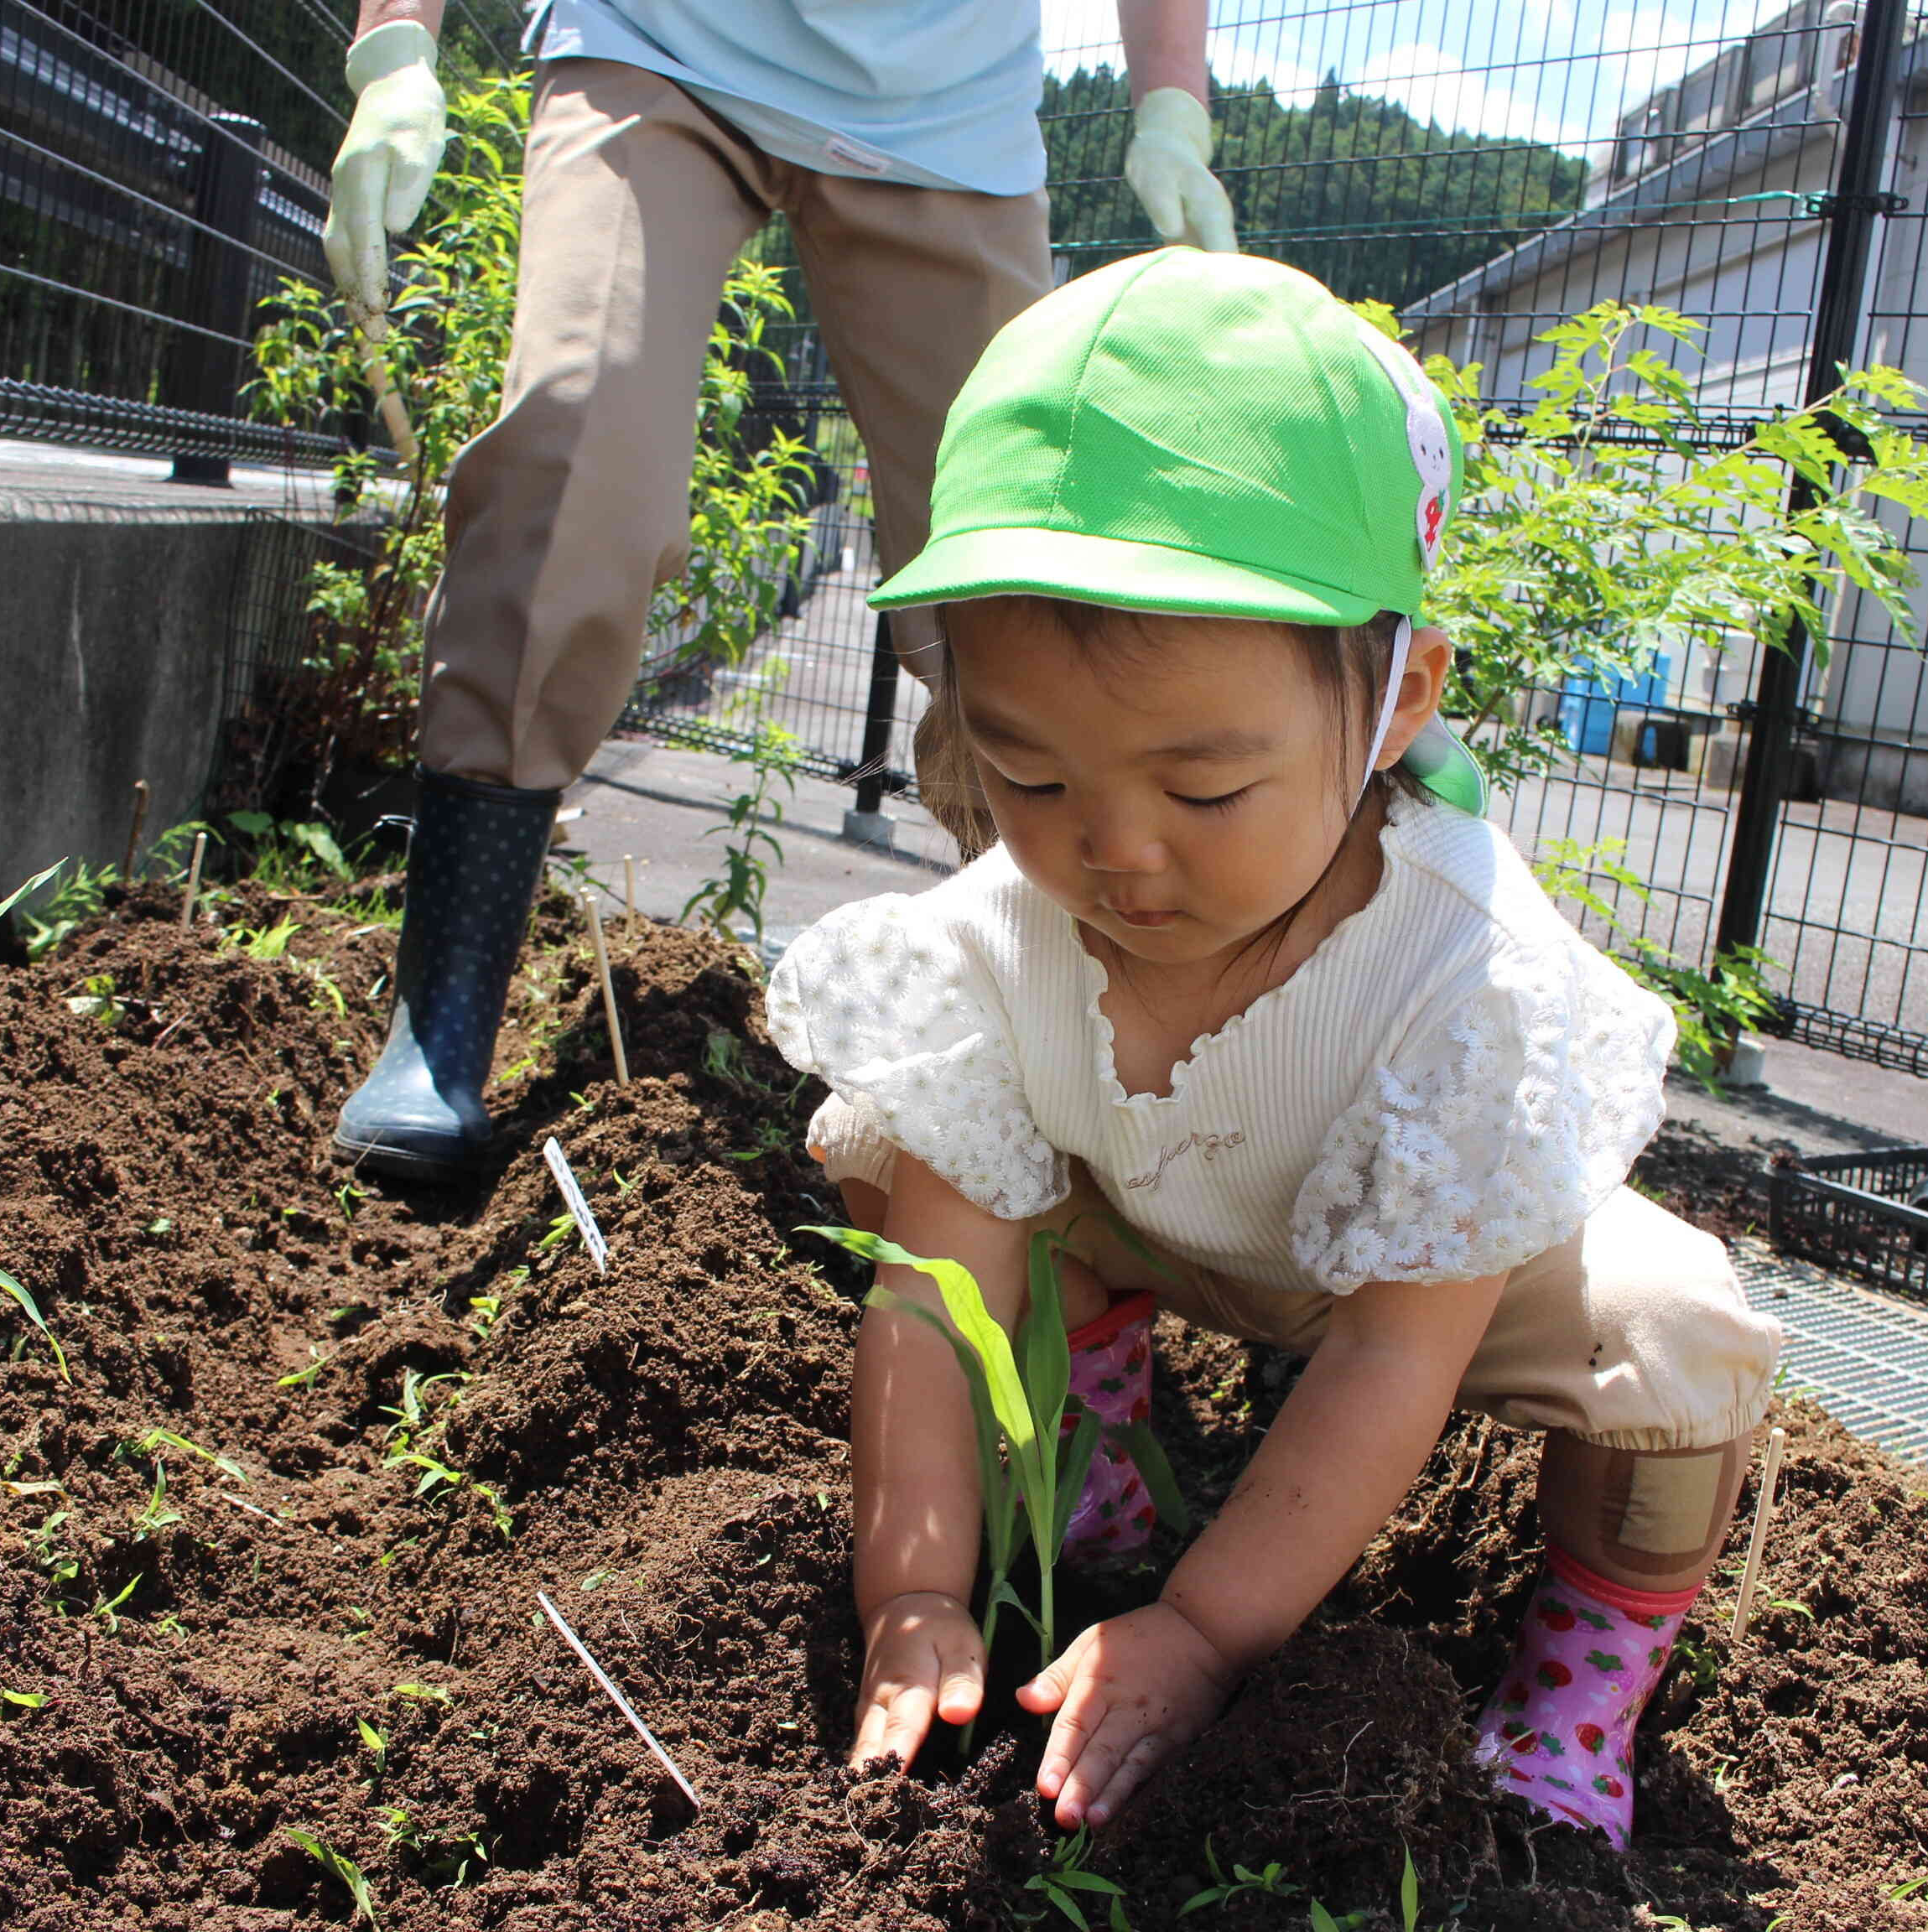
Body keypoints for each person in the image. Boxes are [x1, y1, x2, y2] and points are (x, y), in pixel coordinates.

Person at [762, 250, 1783, 1844]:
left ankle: (1577, 1701)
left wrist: (1205, 1630)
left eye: (1207, 792)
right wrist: (910, 1591)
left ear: (1395, 702)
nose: (1119, 855)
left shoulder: (1466, 977)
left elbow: (1393, 1356)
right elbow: (935, 1297)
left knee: (1670, 1336)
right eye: (1029, 777)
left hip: (1423, 1271)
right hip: (1147, 1217)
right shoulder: (993, 941)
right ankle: (1096, 1449)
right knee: (906, 1165)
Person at [317, 0, 1239, 1181]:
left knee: (1015, 566)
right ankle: (440, 1030)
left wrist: (1170, 101)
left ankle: (1058, 1052)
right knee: (575, 464)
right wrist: (398, 43)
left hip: (942, 108)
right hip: (657, 45)